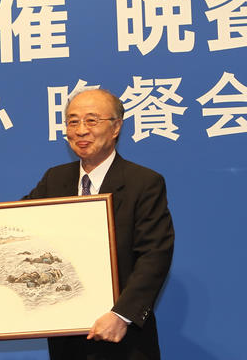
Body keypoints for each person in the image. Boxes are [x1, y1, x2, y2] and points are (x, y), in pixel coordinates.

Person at [23, 89, 175, 360]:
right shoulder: (55, 179)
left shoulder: (143, 182)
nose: (81, 130)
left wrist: (122, 315)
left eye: (91, 121)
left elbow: (155, 256)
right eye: (73, 121)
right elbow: (17, 221)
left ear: (116, 127)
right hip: (66, 337)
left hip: (124, 339)